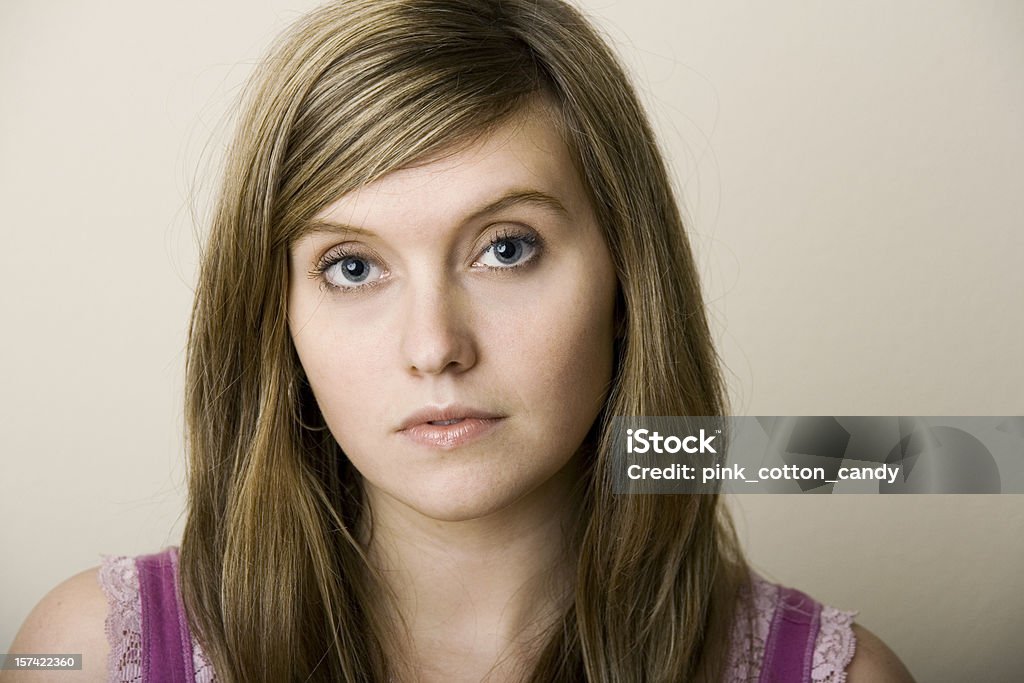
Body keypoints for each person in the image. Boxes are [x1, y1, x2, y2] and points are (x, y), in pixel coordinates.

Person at [4, 1, 916, 681]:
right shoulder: (83, 654)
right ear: (274, 319)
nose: (434, 346)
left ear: (627, 279)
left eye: (506, 248)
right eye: (353, 268)